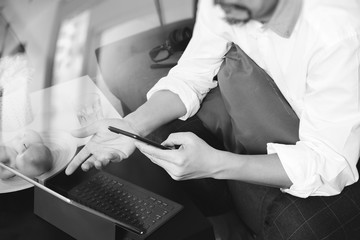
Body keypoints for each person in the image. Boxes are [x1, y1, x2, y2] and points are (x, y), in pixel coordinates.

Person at [65, 0, 360, 238]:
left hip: (336, 134)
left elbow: (330, 161)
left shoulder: (335, 31)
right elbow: (192, 73)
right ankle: (226, 224)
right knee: (161, 127)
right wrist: (131, 125)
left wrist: (216, 165)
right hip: (267, 97)